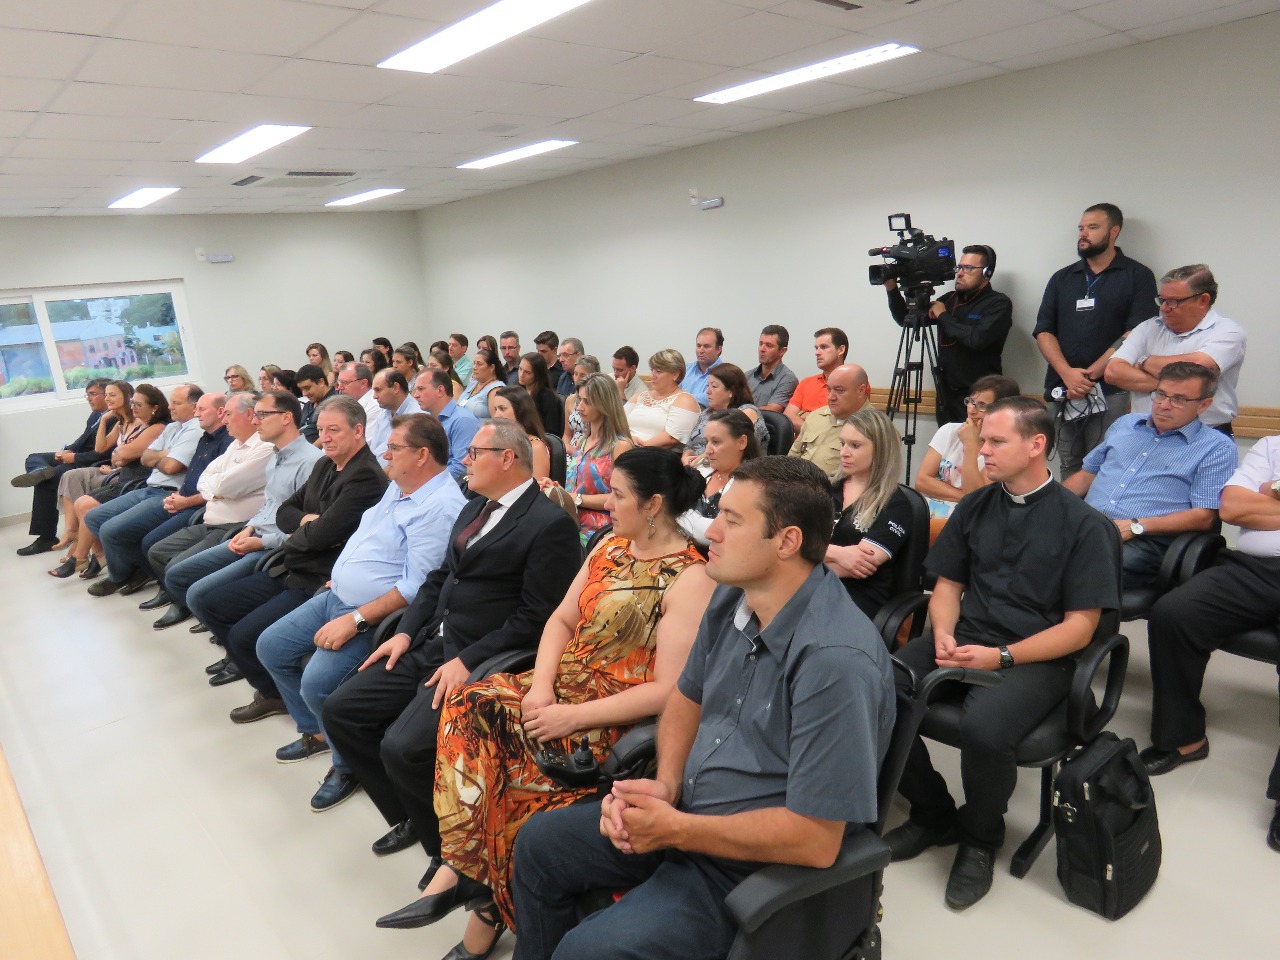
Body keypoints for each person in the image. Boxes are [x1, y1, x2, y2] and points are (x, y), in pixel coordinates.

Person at [510, 456, 896, 960]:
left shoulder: (834, 662)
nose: (711, 529)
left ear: (787, 541)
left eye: (732, 520)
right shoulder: (734, 596)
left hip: (746, 868)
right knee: (538, 845)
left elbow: (816, 840)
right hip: (689, 817)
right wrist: (667, 785)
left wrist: (677, 829)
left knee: (585, 952)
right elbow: (686, 695)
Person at [380, 448, 713, 959]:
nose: (605, 505)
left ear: (653, 505)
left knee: (511, 769)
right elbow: (559, 620)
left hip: (610, 710)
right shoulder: (610, 546)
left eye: (617, 495)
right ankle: (466, 871)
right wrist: (540, 687)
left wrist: (569, 716)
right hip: (559, 686)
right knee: (469, 706)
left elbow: (669, 689)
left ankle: (479, 895)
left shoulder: (690, 577)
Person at [321, 421, 581, 894]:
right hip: (431, 640)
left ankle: (451, 851)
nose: (465, 460)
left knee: (402, 747)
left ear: (507, 458)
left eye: (476, 452)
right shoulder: (475, 506)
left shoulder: (549, 524)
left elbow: (538, 616)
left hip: (478, 655)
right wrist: (404, 632)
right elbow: (440, 578)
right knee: (341, 711)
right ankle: (411, 813)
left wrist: (468, 659)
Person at [888, 397, 1119, 909]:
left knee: (985, 727)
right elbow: (948, 586)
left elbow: (1081, 628)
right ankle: (933, 812)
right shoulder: (975, 506)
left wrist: (1004, 657)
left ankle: (980, 838)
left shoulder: (1083, 525)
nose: (982, 451)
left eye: (995, 441)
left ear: (1036, 445)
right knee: (875, 688)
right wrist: (943, 632)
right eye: (983, 440)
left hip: (1038, 654)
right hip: (967, 634)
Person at [256, 413, 467, 811]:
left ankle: (346, 765)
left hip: (371, 614)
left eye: (395, 448)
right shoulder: (400, 485)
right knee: (271, 647)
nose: (385, 453)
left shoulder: (439, 507)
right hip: (336, 593)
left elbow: (418, 588)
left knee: (317, 684)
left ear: (422, 455)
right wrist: (343, 573)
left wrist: (355, 620)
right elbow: (368, 537)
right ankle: (318, 732)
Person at [1139, 433, 1280, 851]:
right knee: (1174, 614)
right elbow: (1233, 507)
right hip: (1254, 568)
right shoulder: (1272, 446)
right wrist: (1254, 501)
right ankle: (1183, 738)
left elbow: (1251, 507)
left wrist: (1270, 497)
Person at [198, 396, 387, 700]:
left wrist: (303, 529)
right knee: (211, 603)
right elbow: (284, 511)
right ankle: (270, 685)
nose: (324, 438)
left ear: (358, 431)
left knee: (245, 636)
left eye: (334, 430)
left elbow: (319, 537)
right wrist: (306, 522)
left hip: (317, 576)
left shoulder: (365, 476)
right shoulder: (325, 464)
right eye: (321, 430)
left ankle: (275, 696)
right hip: (291, 564)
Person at [158, 391, 322, 640]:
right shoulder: (277, 455)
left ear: (286, 418)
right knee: (179, 575)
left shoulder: (310, 462)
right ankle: (229, 635)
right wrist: (249, 528)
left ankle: (234, 644)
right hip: (252, 534)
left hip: (274, 548)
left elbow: (306, 528)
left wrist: (260, 541)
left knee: (198, 594)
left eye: (262, 415)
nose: (255, 421)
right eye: (255, 415)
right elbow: (268, 504)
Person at [1063, 362, 1236, 586]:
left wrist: (1136, 525)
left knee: (1075, 567)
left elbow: (1204, 517)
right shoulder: (1126, 424)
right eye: (1161, 394)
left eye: (1179, 399)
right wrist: (1047, 505)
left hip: (1145, 539)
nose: (1164, 405)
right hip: (1089, 527)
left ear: (1204, 405)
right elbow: (1086, 476)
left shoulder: (1216, 447)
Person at [1032, 203, 1159, 477]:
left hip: (1110, 389)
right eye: (1081, 228)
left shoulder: (1137, 276)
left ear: (1114, 231)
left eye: (1092, 227)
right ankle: (1069, 508)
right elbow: (1044, 331)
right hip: (1063, 387)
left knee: (1103, 464)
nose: (1083, 234)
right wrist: (1067, 374)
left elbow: (1137, 332)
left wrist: (1090, 376)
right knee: (1068, 463)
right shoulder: (1062, 278)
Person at [138, 392, 274, 619]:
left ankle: (195, 607)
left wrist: (216, 488)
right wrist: (216, 489)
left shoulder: (264, 447)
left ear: (249, 415)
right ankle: (184, 601)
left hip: (233, 526)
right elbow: (205, 478)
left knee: (176, 567)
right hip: (209, 519)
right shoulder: (235, 444)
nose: (225, 420)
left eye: (229, 414)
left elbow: (226, 486)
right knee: (157, 551)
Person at [86, 391, 232, 597]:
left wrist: (159, 458)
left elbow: (172, 467)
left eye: (176, 403)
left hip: (173, 493)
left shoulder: (198, 430)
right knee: (93, 516)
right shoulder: (177, 428)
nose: (170, 407)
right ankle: (139, 569)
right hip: (151, 487)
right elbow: (144, 457)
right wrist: (163, 456)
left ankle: (124, 575)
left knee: (114, 531)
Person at [1106, 264, 1246, 435]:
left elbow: (1198, 368)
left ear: (1203, 300)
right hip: (1146, 434)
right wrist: (1173, 390)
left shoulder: (1228, 331)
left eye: (1173, 301)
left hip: (1205, 435)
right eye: (1162, 300)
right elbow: (1113, 371)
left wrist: (1143, 361)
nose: (1164, 308)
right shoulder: (1147, 328)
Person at [51, 383, 169, 579]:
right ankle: (93, 553)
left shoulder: (156, 427)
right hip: (123, 475)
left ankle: (80, 556)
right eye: (134, 404)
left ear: (154, 407)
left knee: (86, 504)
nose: (134, 408)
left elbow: (123, 454)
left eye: (138, 404)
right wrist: (105, 420)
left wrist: (119, 458)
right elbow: (103, 449)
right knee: (79, 497)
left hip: (137, 480)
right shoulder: (123, 422)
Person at [887, 244, 1013, 426]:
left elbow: (977, 339)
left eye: (968, 268)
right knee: (947, 443)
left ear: (987, 272)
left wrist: (943, 316)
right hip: (946, 396)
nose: (960, 273)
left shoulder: (998, 303)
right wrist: (892, 288)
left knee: (977, 444)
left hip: (981, 400)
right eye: (959, 267)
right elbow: (905, 319)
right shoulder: (949, 299)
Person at [824, 406, 914, 618]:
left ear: (880, 449)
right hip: (811, 588)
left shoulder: (895, 504)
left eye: (855, 445)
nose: (844, 452)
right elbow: (786, 545)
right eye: (842, 444)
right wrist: (838, 554)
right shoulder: (826, 488)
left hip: (855, 601)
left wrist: (804, 559)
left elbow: (858, 566)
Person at [14, 378, 111, 557]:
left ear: (107, 395)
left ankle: (46, 538)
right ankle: (38, 471)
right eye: (87, 395)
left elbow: (106, 453)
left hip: (92, 463)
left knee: (51, 477)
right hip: (77, 456)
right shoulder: (95, 416)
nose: (89, 399)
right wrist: (67, 450)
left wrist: (74, 456)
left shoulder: (114, 419)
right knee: (35, 458)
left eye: (93, 394)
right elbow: (82, 440)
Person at [914, 375, 1021, 522]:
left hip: (967, 520)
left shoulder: (1003, 448)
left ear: (1002, 410)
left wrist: (970, 445)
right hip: (928, 514)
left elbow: (977, 499)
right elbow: (922, 481)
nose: (971, 410)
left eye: (981, 405)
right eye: (970, 402)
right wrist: (964, 496)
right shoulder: (949, 431)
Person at [552, 373, 634, 543]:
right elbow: (575, 486)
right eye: (579, 400)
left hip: (600, 529)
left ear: (604, 405)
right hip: (570, 520)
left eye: (587, 402)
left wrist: (575, 498)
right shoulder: (582, 441)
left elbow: (623, 497)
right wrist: (558, 491)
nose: (579, 407)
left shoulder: (620, 446)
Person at [678, 409, 761, 546]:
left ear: (742, 442)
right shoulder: (701, 466)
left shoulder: (752, 486)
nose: (707, 451)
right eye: (707, 442)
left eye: (716, 442)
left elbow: (715, 535)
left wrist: (677, 515)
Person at [788, 363, 870, 476]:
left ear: (861, 390)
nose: (831, 397)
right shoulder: (816, 416)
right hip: (797, 482)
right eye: (829, 389)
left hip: (832, 486)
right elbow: (792, 458)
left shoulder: (873, 428)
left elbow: (869, 480)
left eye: (839, 390)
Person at [681, 362, 768, 464]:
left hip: (736, 468)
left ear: (731, 391)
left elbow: (731, 449)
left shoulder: (747, 412)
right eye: (708, 386)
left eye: (714, 386)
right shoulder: (706, 413)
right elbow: (690, 444)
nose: (708, 391)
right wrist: (685, 457)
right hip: (699, 465)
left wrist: (697, 461)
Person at [413, 369, 482, 482]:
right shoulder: (428, 420)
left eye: (421, 389)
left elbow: (461, 467)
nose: (416, 395)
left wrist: (424, 482)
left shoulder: (462, 420)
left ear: (440, 390)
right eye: (416, 390)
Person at [624, 349, 699, 449]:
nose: (653, 376)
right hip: (625, 444)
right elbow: (617, 422)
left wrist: (639, 445)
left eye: (659, 371)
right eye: (652, 370)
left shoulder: (685, 400)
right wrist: (627, 440)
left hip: (651, 451)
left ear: (675, 374)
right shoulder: (639, 396)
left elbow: (672, 437)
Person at [783, 327, 849, 433]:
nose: (817, 352)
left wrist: (802, 414)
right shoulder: (806, 383)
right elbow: (788, 416)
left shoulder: (853, 383)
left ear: (841, 350)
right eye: (816, 348)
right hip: (801, 442)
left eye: (823, 347)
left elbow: (841, 423)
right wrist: (814, 432)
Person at [489, 386, 552, 481]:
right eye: (496, 409)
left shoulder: (536, 448)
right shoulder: (497, 441)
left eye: (502, 408)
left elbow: (538, 486)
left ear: (520, 411)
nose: (496, 415)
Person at [367, 369, 419, 459]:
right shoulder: (383, 413)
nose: (374, 396)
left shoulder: (417, 417)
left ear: (396, 387)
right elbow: (373, 450)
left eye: (378, 390)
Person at [746, 324, 798, 413]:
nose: (762, 349)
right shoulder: (747, 376)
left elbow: (773, 410)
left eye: (768, 345)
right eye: (761, 344)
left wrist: (740, 411)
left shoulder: (788, 379)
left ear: (782, 351)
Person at [517, 350, 564, 437]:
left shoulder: (547, 397)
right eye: (520, 369)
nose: (521, 374)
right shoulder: (518, 392)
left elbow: (551, 431)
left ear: (537, 375)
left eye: (527, 372)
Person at [561, 354, 600, 450]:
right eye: (575, 374)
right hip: (569, 449)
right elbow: (567, 434)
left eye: (583, 375)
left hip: (588, 450)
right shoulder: (570, 400)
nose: (577, 379)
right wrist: (565, 449)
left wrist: (575, 452)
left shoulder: (598, 402)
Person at [679, 327, 724, 408]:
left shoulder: (725, 374)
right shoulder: (685, 369)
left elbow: (708, 400)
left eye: (706, 346)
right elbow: (671, 393)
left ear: (718, 349)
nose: (701, 350)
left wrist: (680, 399)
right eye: (698, 346)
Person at [458, 348, 503, 419]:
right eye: (474, 363)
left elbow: (497, 420)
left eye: (479, 364)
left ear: (492, 367)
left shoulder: (496, 389)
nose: (474, 367)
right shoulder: (473, 383)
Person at [296, 364, 336, 444]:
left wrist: (310, 450)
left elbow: (330, 434)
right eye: (301, 389)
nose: (304, 393)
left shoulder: (336, 403)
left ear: (321, 382)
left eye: (307, 388)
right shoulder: (308, 405)